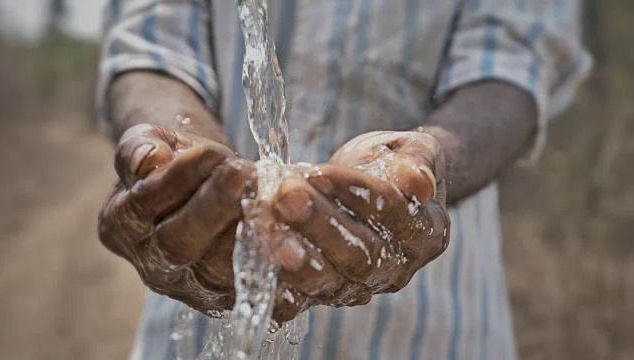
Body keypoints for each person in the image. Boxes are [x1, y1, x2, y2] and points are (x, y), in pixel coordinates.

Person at [96, 0, 591, 358]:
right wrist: (177, 161)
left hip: (431, 332)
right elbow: (150, 48)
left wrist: (425, 164)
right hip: (202, 324)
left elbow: (512, 68)